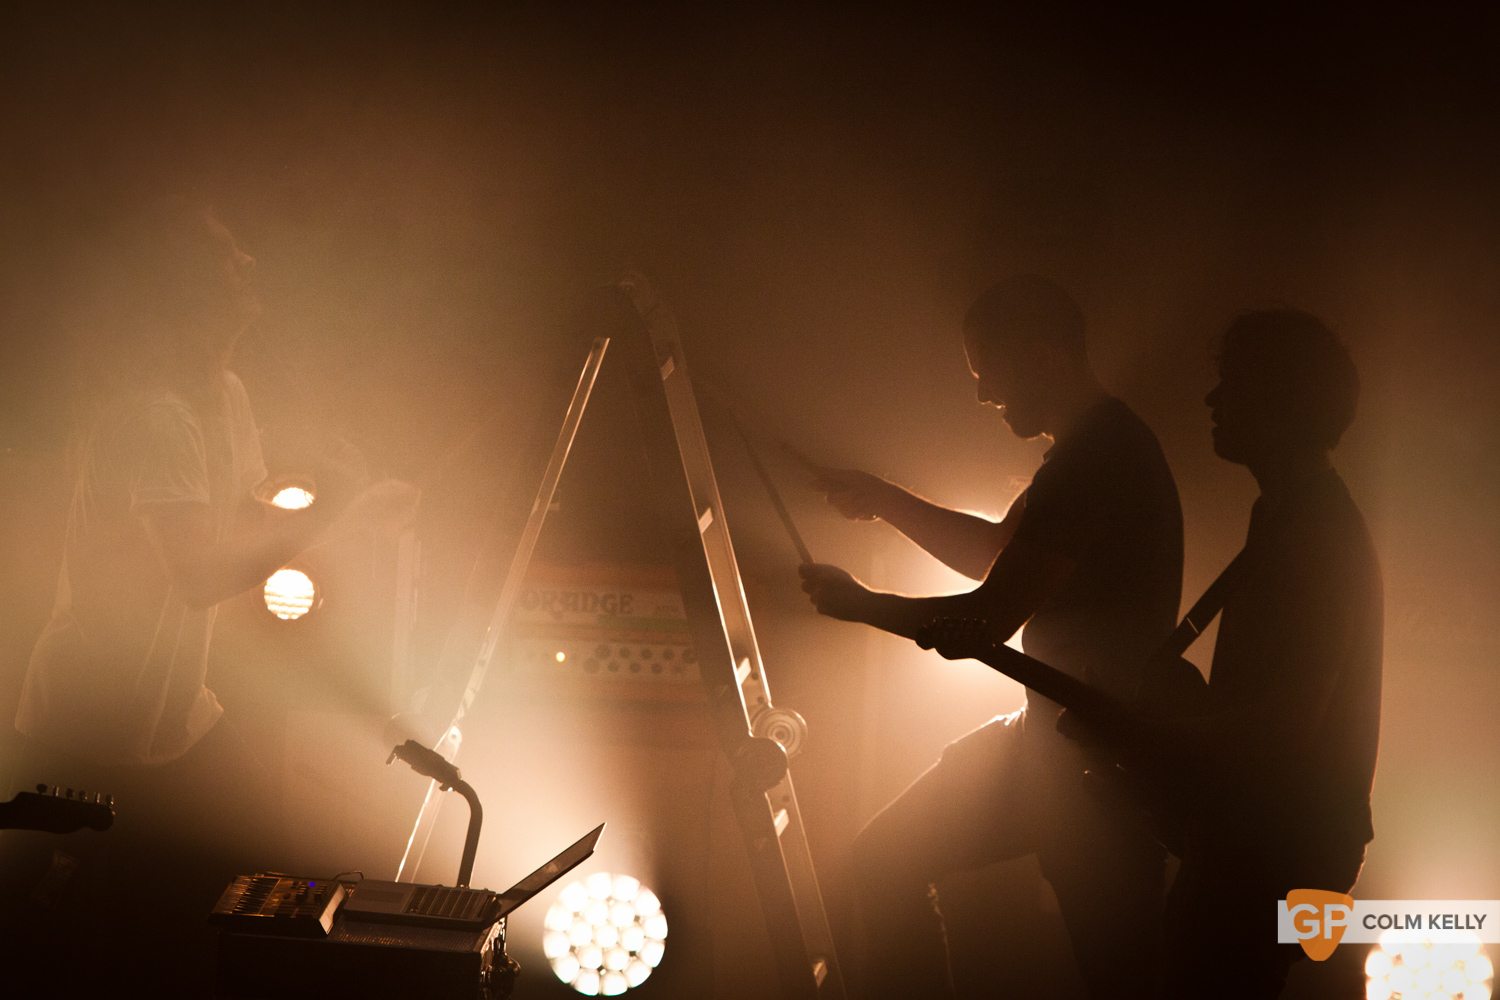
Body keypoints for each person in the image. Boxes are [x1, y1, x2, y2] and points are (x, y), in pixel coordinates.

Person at [0, 196, 420, 992]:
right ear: (187, 291)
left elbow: (237, 522)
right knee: (116, 938)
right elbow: (199, 576)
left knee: (239, 887)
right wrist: (333, 504)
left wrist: (351, 506)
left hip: (175, 718)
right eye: (230, 257)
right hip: (95, 721)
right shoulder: (155, 417)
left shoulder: (222, 393)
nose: (250, 264)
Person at [799, 275, 1183, 999]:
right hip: (1064, 744)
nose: (981, 395)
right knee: (885, 864)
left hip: (1089, 762)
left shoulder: (1093, 459)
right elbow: (998, 553)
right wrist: (880, 499)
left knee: (1123, 975)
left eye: (988, 373)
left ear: (1040, 356)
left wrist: (863, 605)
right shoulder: (1097, 449)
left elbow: (987, 617)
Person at [1153, 310, 1381, 998]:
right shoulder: (1285, 514)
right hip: (1267, 837)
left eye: (1233, 385)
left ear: (1280, 401)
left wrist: (1152, 737)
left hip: (1273, 849)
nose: (1212, 401)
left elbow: (1285, 727)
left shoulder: (1314, 534)